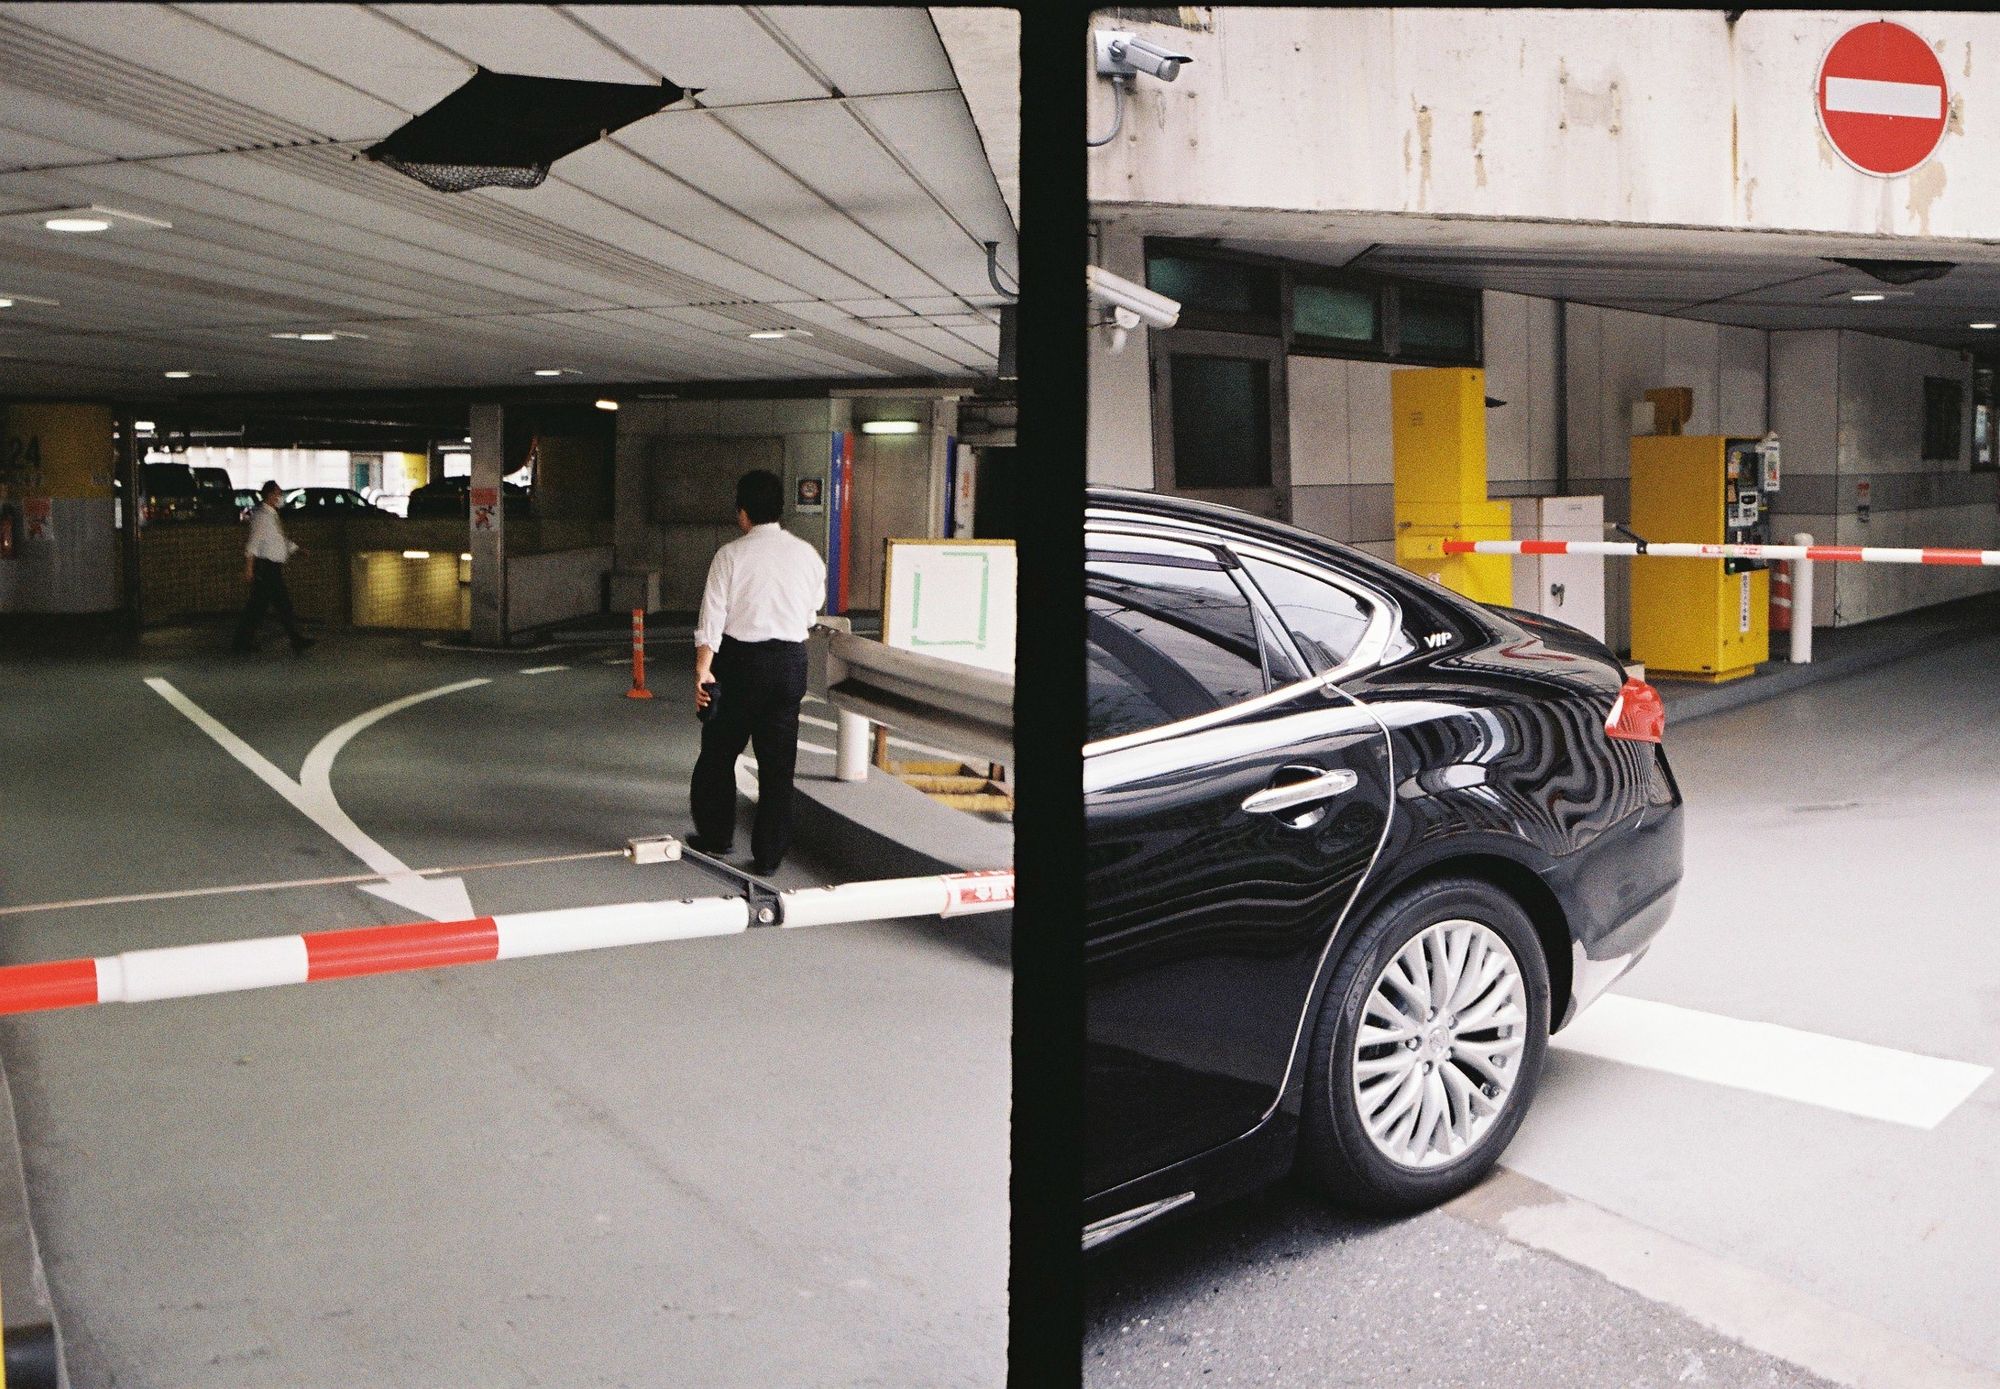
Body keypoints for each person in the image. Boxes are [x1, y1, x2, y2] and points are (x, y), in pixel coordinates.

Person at [685, 469, 827, 875]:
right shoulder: (807, 555)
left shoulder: (730, 556)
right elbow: (812, 607)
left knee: (718, 752)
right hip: (788, 666)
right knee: (778, 764)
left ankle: (716, 836)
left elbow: (711, 619)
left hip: (739, 665)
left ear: (742, 512)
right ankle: (769, 855)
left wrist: (702, 673)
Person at [233, 481, 315, 655]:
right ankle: (295, 639)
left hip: (270, 568)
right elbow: (253, 543)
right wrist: (249, 568)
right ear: (270, 495)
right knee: (280, 605)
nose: (280, 497)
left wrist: (297, 549)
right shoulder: (263, 516)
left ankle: (242, 642)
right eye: (278, 493)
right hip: (267, 568)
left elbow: (278, 540)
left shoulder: (271, 515)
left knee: (258, 607)